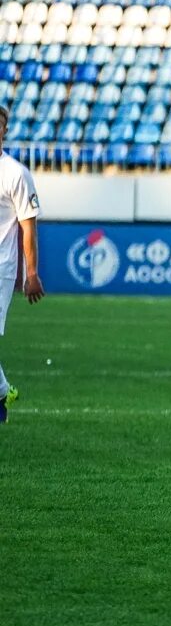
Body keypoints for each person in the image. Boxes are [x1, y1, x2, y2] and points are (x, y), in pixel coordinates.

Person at [0, 106, 43, 423]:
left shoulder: (15, 173)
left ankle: (2, 393)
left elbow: (28, 226)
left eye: (1, 124)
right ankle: (2, 391)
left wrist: (31, 272)